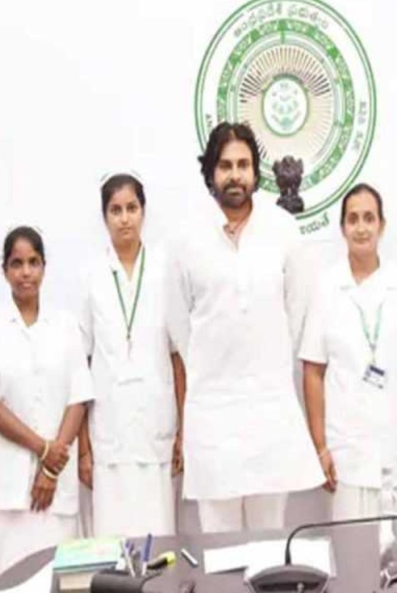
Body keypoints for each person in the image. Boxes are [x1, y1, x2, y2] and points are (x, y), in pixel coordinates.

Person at [166, 121, 323, 533]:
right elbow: (179, 323)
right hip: (212, 413)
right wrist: (215, 364)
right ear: (210, 173)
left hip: (269, 409)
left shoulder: (282, 230)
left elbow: (297, 310)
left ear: (255, 172)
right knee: (219, 542)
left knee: (270, 539)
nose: (234, 175)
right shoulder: (186, 239)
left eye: (243, 165)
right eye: (225, 166)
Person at [300, 184, 397, 520]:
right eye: (353, 219)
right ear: (342, 228)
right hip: (346, 446)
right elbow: (313, 371)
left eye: (369, 218)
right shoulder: (326, 286)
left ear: (381, 226)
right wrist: (320, 447)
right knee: (352, 543)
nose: (361, 228)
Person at [0, 227, 92, 576]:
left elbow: (79, 398)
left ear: (44, 267)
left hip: (58, 488)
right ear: (4, 270)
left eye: (33, 262)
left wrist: (51, 468)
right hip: (11, 490)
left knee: (61, 579)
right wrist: (43, 449)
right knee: (14, 580)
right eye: (17, 264)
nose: (25, 272)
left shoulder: (65, 324)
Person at [77, 174, 183, 537]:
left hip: (156, 431)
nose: (124, 218)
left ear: (143, 212)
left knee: (160, 542)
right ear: (104, 216)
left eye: (132, 208)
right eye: (116, 210)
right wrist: (84, 448)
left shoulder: (165, 270)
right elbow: (80, 365)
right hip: (109, 434)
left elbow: (178, 358)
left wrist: (183, 432)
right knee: (111, 544)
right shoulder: (91, 275)